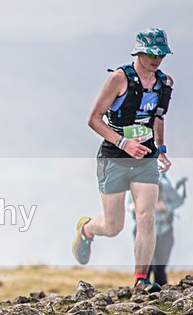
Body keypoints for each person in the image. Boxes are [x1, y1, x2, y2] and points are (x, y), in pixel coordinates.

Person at [71, 27, 174, 293]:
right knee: (113, 225)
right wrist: (123, 143)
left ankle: (140, 280)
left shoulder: (164, 83)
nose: (156, 59)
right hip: (114, 156)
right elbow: (94, 119)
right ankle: (87, 230)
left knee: (146, 217)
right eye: (151, 53)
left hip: (145, 157)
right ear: (139, 51)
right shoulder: (119, 79)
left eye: (161, 54)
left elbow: (158, 117)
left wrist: (160, 149)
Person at [128, 173, 187, 286]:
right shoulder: (136, 187)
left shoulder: (166, 187)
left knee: (159, 267)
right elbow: (129, 204)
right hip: (143, 231)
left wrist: (166, 206)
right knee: (146, 265)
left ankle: (160, 293)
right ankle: (142, 290)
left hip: (164, 231)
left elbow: (178, 200)